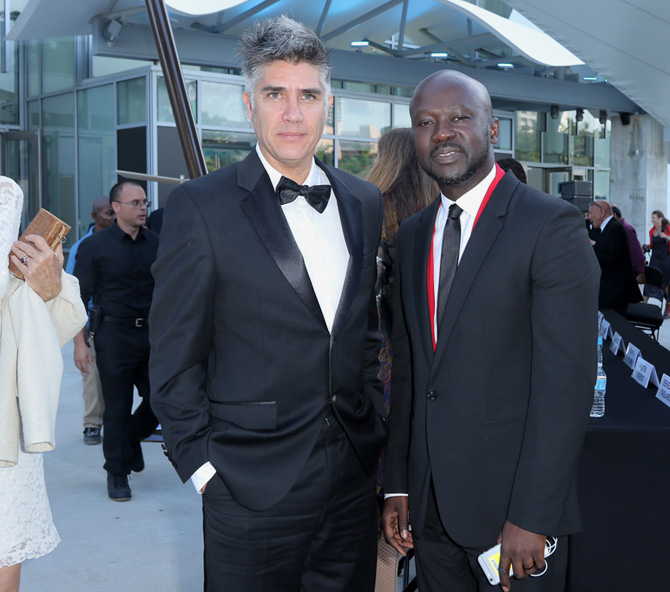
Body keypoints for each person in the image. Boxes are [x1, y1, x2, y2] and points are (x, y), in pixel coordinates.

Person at [149, 16, 387, 591]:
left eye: (308, 95)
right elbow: (173, 353)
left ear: (328, 104)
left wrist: (373, 426)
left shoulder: (363, 200)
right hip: (247, 484)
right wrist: (202, 467)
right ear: (247, 103)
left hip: (353, 479)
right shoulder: (200, 207)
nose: (292, 113)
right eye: (274, 94)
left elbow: (364, 336)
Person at [382, 70, 599, 592]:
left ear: (494, 129)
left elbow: (566, 386)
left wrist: (534, 513)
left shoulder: (549, 225)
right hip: (430, 511)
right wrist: (397, 485)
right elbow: (412, 375)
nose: (443, 133)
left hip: (513, 518)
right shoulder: (412, 237)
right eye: (426, 123)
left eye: (459, 118)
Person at [0, 177, 87, 592]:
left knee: (5, 553)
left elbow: (36, 342)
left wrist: (47, 291)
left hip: (6, 432)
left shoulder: (5, 195)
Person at [73, 181, 159, 502]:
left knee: (162, 399)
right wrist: (80, 344)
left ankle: (130, 440)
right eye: (135, 202)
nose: (142, 207)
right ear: (116, 208)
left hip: (153, 335)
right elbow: (78, 298)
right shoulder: (95, 247)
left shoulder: (157, 243)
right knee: (117, 408)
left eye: (144, 202)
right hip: (114, 336)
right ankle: (117, 474)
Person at [367, 127, 438, 444]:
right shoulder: (439, 210)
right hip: (431, 343)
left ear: (388, 159)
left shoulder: (372, 208)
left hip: (381, 347)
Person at [67, 196, 115, 446]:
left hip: (120, 322)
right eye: (108, 213)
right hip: (93, 321)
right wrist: (80, 330)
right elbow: (74, 290)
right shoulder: (82, 247)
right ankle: (92, 424)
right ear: (95, 216)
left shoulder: (125, 240)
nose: (113, 217)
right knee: (91, 373)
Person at [587, 200, 641, 313]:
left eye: (591, 213)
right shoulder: (609, 228)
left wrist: (591, 247)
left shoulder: (615, 228)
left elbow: (612, 259)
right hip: (612, 293)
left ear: (601, 212)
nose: (589, 218)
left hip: (615, 295)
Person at [645, 210, 670, 319]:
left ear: (660, 218)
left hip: (666, 261)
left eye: (654, 218)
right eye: (651, 218)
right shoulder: (652, 231)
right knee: (649, 282)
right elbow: (652, 244)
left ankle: (668, 307)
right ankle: (643, 305)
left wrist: (667, 237)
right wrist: (647, 246)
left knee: (666, 285)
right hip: (654, 260)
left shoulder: (668, 229)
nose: (652, 220)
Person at [611, 204, 645, 283]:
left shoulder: (626, 228)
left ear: (614, 215)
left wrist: (641, 271)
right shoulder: (617, 228)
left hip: (628, 272)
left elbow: (636, 250)